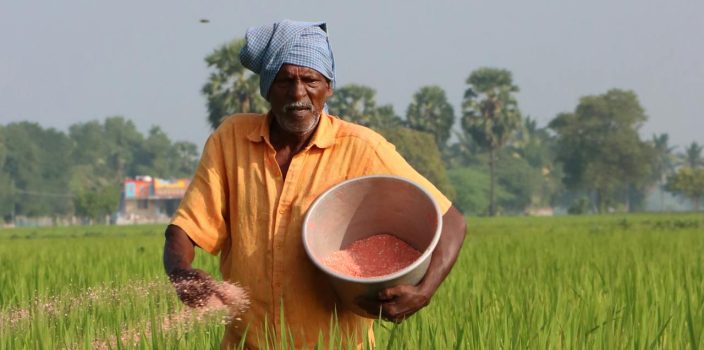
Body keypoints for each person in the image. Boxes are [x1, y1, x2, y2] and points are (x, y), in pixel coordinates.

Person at [163, 19, 467, 349]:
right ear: (267, 89)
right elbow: (186, 227)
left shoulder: (361, 148)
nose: (297, 93)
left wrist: (424, 291)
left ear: (329, 86)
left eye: (310, 80)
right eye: (284, 81)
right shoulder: (231, 140)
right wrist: (181, 271)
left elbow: (451, 221)